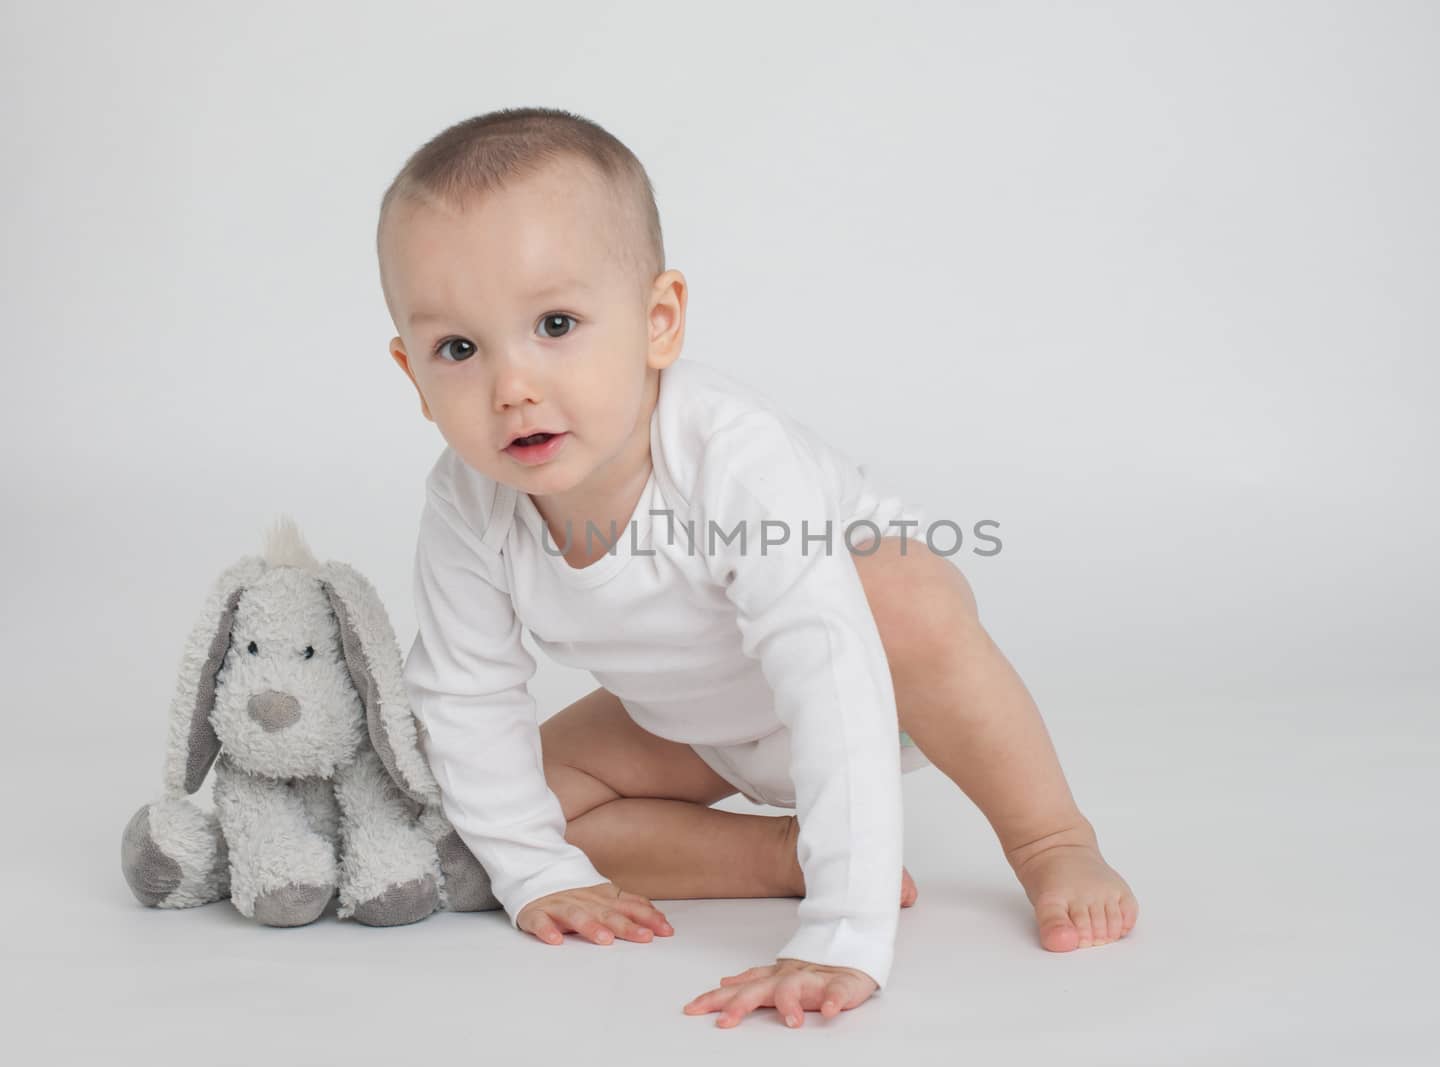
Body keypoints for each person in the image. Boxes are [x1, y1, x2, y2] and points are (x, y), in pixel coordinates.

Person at [381, 107, 1137, 1029]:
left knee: (905, 592)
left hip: (878, 678)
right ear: (413, 376)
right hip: (695, 712)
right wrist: (536, 874)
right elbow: (466, 692)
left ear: (659, 322)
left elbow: (825, 665)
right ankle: (774, 855)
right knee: (511, 805)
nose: (513, 386)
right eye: (459, 349)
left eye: (556, 323)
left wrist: (840, 934)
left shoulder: (728, 451)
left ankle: (1051, 835)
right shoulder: (467, 503)